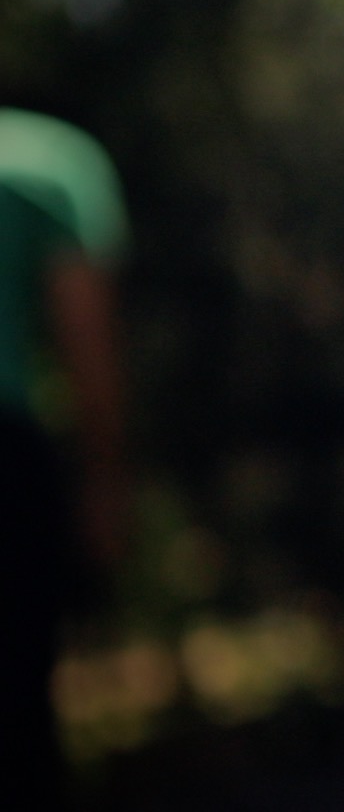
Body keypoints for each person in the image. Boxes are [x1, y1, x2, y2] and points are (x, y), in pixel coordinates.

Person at [0, 106, 130, 809]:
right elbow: (90, 353)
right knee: (19, 723)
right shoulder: (45, 163)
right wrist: (106, 483)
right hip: (8, 465)